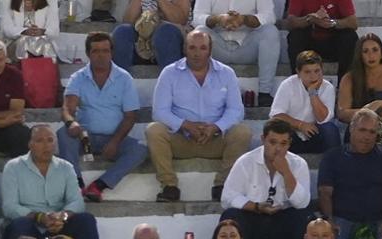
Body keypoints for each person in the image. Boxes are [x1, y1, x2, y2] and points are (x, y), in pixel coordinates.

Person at [145, 29, 250, 203]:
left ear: (210, 49)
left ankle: (222, 186)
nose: (197, 53)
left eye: (202, 48)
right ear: (185, 49)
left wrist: (216, 127)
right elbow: (159, 111)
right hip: (181, 139)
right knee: (154, 131)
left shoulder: (226, 73)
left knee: (242, 132)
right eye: (192, 48)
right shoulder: (169, 73)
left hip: (215, 139)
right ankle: (169, 187)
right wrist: (185, 125)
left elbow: (236, 110)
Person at [58, 31, 146, 202]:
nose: (101, 55)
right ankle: (76, 185)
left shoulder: (124, 78)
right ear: (88, 54)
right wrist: (71, 123)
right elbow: (67, 109)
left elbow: (130, 116)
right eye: (95, 51)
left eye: (105, 51)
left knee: (140, 149)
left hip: (114, 138)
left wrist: (115, 141)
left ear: (112, 53)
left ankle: (99, 186)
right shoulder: (78, 77)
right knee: (63, 133)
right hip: (84, 137)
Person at [2, 125, 102, 239]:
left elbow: (77, 201)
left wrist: (63, 216)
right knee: (19, 225)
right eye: (40, 140)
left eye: (50, 140)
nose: (46, 145)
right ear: (30, 144)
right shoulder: (14, 167)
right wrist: (40, 217)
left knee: (87, 220)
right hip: (31, 226)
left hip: (59, 225)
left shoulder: (65, 167)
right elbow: (9, 207)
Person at [317, 109, 382, 239]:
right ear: (351, 129)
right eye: (362, 130)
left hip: (380, 218)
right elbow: (325, 192)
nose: (367, 136)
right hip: (342, 218)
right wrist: (329, 220)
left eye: (372, 132)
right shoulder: (332, 156)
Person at [219, 119, 314, 239]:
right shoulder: (246, 162)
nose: (278, 149)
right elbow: (227, 197)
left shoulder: (298, 164)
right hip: (252, 218)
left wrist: (286, 172)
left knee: (305, 219)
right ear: (263, 140)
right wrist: (256, 207)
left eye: (283, 143)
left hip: (282, 220)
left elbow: (302, 203)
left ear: (289, 143)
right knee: (231, 216)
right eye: (273, 142)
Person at [336, 32, 382, 153]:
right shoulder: (349, 78)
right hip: (360, 127)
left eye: (375, 50)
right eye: (366, 51)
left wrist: (378, 103)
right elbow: (342, 113)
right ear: (360, 55)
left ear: (381, 53)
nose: (371, 55)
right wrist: (366, 113)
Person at [269, 50, 340, 156]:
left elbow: (323, 119)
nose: (313, 76)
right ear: (298, 72)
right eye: (307, 72)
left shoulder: (327, 87)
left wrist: (313, 93)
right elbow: (276, 116)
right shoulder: (288, 85)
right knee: (276, 130)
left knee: (330, 130)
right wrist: (300, 125)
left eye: (317, 71)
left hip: (314, 133)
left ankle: (333, 166)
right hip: (291, 134)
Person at [281, 0, 357, 73]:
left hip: (334, 44)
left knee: (349, 36)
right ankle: (298, 81)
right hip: (308, 44)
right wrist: (310, 19)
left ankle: (345, 83)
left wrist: (331, 23)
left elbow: (353, 23)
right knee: (295, 35)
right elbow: (290, 23)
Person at [113, 0, 189, 71]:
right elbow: (127, 21)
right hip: (141, 44)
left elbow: (181, 20)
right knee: (122, 31)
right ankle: (118, 81)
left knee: (165, 31)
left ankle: (174, 81)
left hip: (169, 43)